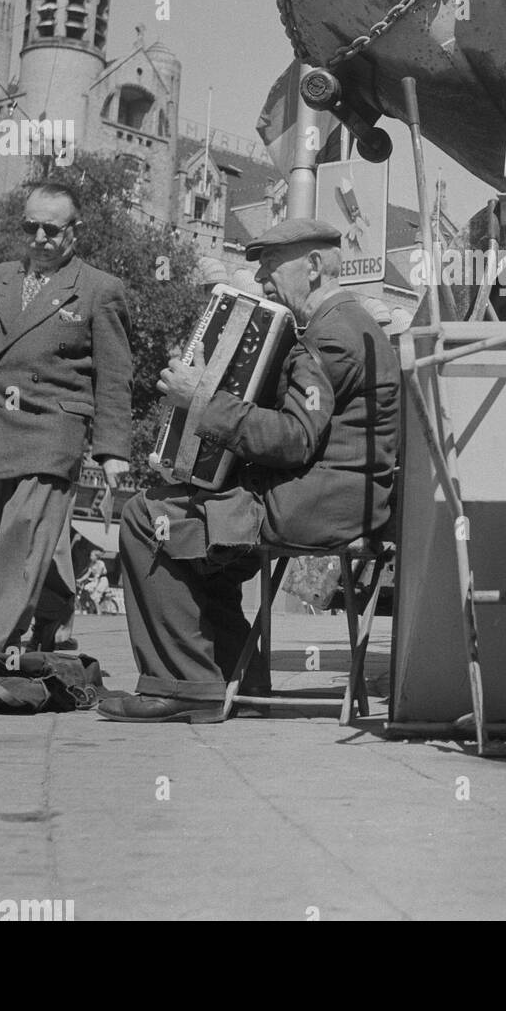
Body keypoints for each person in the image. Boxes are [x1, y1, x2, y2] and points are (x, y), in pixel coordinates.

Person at [99, 217, 400, 723]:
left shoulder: (335, 337)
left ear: (314, 266)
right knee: (192, 518)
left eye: (271, 267)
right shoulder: (337, 326)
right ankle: (233, 675)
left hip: (317, 506)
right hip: (325, 497)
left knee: (146, 516)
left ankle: (189, 686)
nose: (262, 280)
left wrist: (201, 399)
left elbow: (295, 437)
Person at [0, 180, 134, 653]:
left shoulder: (99, 290)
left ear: (74, 232)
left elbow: (115, 378)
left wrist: (113, 449)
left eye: (51, 229)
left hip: (51, 432)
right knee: (2, 538)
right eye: (30, 226)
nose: (39, 238)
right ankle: (53, 620)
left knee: (21, 539)